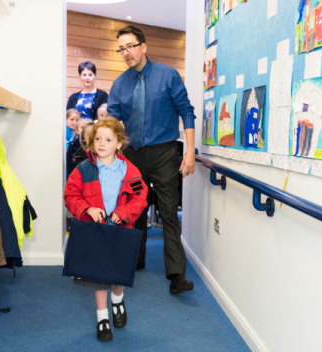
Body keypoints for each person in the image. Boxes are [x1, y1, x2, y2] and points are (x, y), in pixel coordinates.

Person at [107, 26, 197, 294]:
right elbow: (112, 122)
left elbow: (187, 111)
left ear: (143, 47)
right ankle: (136, 260)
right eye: (121, 48)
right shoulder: (119, 84)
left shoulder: (167, 75)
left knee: (169, 211)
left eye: (130, 46)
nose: (126, 53)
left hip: (165, 153)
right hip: (132, 155)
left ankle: (176, 275)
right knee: (134, 210)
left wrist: (190, 151)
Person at [64, 117, 148, 342]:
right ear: (91, 143)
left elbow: (140, 198)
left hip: (121, 229)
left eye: (108, 139)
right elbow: (71, 195)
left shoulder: (130, 170)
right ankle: (102, 318)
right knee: (99, 277)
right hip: (96, 231)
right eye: (97, 139)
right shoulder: (82, 170)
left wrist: (124, 211)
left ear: (119, 144)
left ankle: (118, 300)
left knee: (119, 275)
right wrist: (86, 208)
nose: (102, 143)